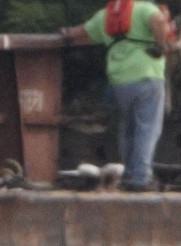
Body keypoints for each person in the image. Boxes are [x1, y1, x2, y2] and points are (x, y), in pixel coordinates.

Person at [59, 2, 174, 191]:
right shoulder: (144, 8)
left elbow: (77, 32)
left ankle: (129, 175)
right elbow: (159, 20)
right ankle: (140, 178)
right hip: (146, 74)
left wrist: (65, 33)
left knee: (128, 128)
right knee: (147, 128)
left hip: (120, 80)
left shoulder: (105, 15)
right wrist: (161, 46)